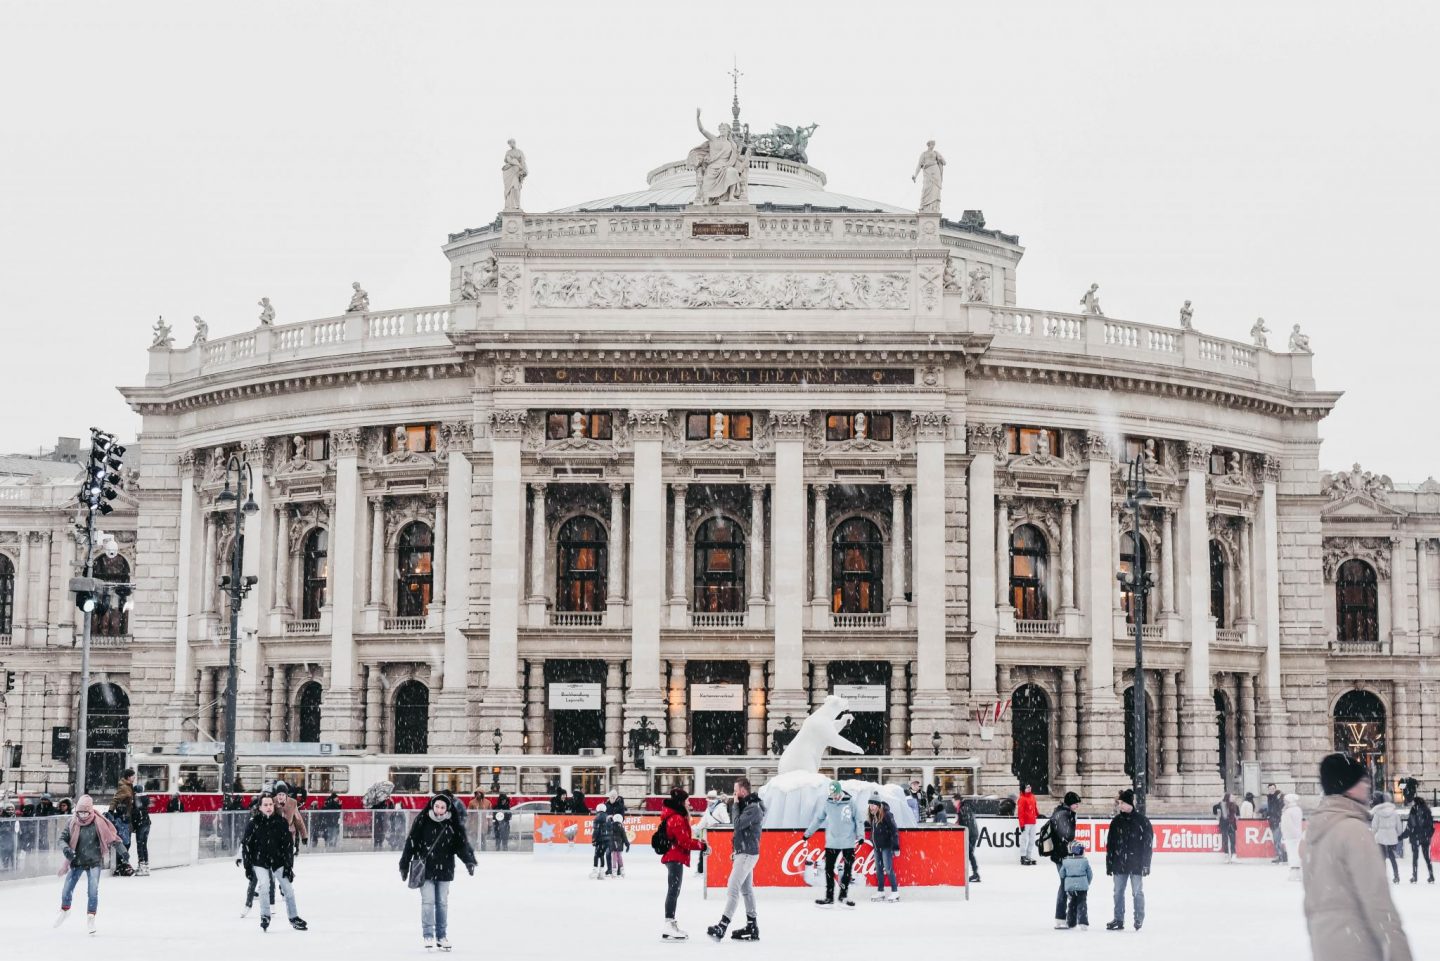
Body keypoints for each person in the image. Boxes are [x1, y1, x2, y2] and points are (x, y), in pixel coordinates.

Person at [1302, 754, 1412, 961]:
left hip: (1325, 945)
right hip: (1356, 947)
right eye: (1363, 781)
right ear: (1350, 786)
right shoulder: (1353, 830)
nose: (1368, 786)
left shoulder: (1316, 831)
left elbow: (1311, 899)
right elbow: (1378, 901)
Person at [399, 793, 476, 951]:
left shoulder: (452, 824)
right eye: (437, 806)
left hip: (445, 869)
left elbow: (460, 846)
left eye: (442, 807)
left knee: (442, 904)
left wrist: (468, 861)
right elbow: (411, 843)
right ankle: (428, 934)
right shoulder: (422, 821)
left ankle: (441, 936)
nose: (439, 810)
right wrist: (404, 864)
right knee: (428, 902)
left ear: (447, 808)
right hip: (425, 869)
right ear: (432, 806)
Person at [54, 795, 128, 934]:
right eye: (79, 812)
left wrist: (123, 851)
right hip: (77, 862)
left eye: (85, 812)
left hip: (94, 862)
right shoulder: (73, 822)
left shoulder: (99, 823)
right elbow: (62, 839)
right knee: (67, 889)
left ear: (90, 811)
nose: (82, 815)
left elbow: (112, 838)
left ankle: (91, 917)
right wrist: (66, 849)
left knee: (92, 891)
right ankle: (65, 910)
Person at [709, 777, 766, 940]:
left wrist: (734, 804)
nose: (734, 794)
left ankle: (722, 926)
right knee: (746, 890)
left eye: (735, 791)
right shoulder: (748, 805)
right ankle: (752, 926)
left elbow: (738, 824)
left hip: (747, 853)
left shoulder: (753, 808)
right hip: (745, 852)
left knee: (733, 888)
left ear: (742, 791)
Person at [241, 793, 307, 932]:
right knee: (264, 885)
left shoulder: (281, 822)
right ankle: (265, 916)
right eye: (265, 805)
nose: (269, 807)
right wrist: (248, 867)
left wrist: (288, 866)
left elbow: (288, 846)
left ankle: (294, 917)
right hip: (260, 861)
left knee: (288, 888)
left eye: (271, 804)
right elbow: (246, 845)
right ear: (259, 807)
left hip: (278, 861)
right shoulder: (254, 824)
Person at [804, 781, 862, 908]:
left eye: (835, 794)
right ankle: (829, 898)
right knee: (828, 870)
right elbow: (819, 819)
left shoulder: (850, 802)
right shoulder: (828, 803)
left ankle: (843, 896)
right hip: (832, 842)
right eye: (832, 794)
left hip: (848, 842)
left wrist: (861, 835)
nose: (834, 797)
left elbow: (858, 819)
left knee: (847, 870)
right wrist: (808, 833)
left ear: (840, 791)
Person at [658, 787, 705, 941]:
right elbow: (684, 841)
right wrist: (701, 845)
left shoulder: (677, 816)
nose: (689, 803)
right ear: (681, 801)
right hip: (674, 856)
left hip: (674, 856)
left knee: (674, 890)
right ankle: (668, 924)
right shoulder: (676, 818)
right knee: (673, 890)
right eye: (687, 800)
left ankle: (670, 924)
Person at [1104, 788, 1152, 931]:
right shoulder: (1116, 822)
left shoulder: (1142, 821)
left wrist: (1146, 864)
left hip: (1136, 863)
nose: (1121, 806)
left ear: (1130, 804)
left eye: (1123, 803)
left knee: (1137, 892)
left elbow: (1147, 845)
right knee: (1118, 892)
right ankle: (1118, 919)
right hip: (1119, 863)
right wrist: (1109, 863)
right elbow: (1111, 844)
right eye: (1120, 803)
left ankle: (1138, 918)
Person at [1044, 792, 1082, 929]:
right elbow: (1065, 837)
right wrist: (1071, 850)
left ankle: (1066, 917)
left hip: (1062, 855)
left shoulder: (1062, 813)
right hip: (1062, 856)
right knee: (1065, 885)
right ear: (1069, 803)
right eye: (1076, 803)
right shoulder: (1064, 815)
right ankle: (1061, 917)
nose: (1077, 806)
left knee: (1066, 885)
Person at [237, 800, 275, 917]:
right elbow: (245, 843)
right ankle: (248, 905)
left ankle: (271, 905)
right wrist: (240, 856)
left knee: (271, 882)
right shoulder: (252, 823)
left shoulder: (272, 822)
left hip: (268, 859)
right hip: (255, 859)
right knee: (253, 882)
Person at [866, 798, 901, 902]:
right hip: (877, 847)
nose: (871, 807)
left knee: (888, 869)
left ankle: (895, 892)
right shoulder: (873, 816)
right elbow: (874, 829)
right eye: (870, 805)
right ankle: (880, 891)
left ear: (878, 805)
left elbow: (894, 831)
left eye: (873, 805)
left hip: (886, 847)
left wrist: (896, 847)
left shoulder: (887, 815)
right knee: (879, 870)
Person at [1399, 779, 1434, 883]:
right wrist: (1428, 835)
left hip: (1415, 837)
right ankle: (1431, 876)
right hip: (1425, 838)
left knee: (1415, 858)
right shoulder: (1427, 810)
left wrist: (1401, 836)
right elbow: (1431, 825)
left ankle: (1415, 877)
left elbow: (1410, 826)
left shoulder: (1414, 809)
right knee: (1427, 857)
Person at [1371, 792, 1403, 884]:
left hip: (1381, 837)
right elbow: (1399, 827)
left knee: (1382, 858)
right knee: (1392, 857)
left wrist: (1373, 834)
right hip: (1392, 837)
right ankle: (1396, 876)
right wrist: (1397, 834)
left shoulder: (1377, 812)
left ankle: (1383, 877)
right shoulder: (1394, 812)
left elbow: (1374, 826)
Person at [1060, 841, 1092, 930]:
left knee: (1072, 904)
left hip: (1070, 887)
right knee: (1082, 903)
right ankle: (1083, 922)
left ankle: (1071, 922)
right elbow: (1090, 874)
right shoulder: (1084, 861)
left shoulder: (1066, 861)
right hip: (1082, 887)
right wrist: (1086, 882)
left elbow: (1062, 873)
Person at [108, 768, 136, 867]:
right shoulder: (124, 787)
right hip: (123, 818)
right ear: (128, 777)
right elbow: (115, 799)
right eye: (133, 776)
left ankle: (123, 863)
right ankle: (121, 864)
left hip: (127, 817)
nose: (134, 778)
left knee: (126, 841)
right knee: (125, 842)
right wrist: (111, 811)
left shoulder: (129, 786)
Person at [273, 782, 310, 851]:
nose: (280, 797)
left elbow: (298, 820)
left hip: (289, 832)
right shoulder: (273, 801)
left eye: (283, 794)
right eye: (279, 794)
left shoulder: (292, 803)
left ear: (286, 795)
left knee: (288, 854)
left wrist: (304, 836)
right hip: (276, 833)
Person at [957, 795, 981, 883]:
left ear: (957, 801)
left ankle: (975, 874)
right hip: (971, 834)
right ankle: (975, 873)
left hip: (970, 834)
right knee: (969, 854)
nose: (953, 804)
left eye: (953, 802)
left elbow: (966, 823)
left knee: (969, 854)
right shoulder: (964, 808)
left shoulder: (963, 808)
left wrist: (962, 830)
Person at [1281, 793, 1305, 882]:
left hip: (1290, 836)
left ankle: (1294, 874)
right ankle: (1299, 873)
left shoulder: (1288, 811)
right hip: (1297, 834)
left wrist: (1285, 835)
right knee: (1297, 854)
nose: (1284, 802)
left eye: (1285, 801)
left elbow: (1286, 825)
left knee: (1292, 854)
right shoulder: (1298, 809)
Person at [1017, 783, 1039, 865]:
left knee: (1032, 840)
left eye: (1030, 787)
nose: (1029, 788)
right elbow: (1020, 813)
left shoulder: (1032, 796)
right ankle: (1023, 856)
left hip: (1033, 822)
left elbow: (1034, 807)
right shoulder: (1022, 799)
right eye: (1027, 787)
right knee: (1024, 840)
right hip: (1026, 823)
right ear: (1023, 789)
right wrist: (1022, 825)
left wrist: (1038, 814)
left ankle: (1028, 855)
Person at [1215, 792, 1239, 862]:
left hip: (1232, 824)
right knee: (1225, 840)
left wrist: (1234, 818)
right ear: (1228, 797)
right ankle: (1226, 854)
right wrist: (1218, 815)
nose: (1233, 798)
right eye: (1231, 797)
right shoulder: (1221, 804)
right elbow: (1216, 811)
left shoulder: (1235, 806)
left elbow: (1237, 815)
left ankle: (1233, 855)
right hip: (1224, 825)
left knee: (1233, 840)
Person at [590, 802, 612, 879]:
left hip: (600, 840)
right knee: (602, 854)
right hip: (607, 840)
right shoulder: (608, 818)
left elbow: (596, 830)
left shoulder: (597, 818)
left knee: (596, 855)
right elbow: (610, 829)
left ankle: (595, 871)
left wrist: (593, 839)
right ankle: (602, 872)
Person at [1266, 783, 1286, 862]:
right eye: (1270, 789)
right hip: (1272, 821)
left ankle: (1280, 856)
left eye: (1273, 789)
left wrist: (1279, 818)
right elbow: (1270, 809)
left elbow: (1280, 808)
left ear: (1275, 789)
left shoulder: (1278, 797)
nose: (1271, 790)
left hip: (1277, 821)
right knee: (1276, 839)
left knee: (1277, 839)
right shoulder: (1269, 798)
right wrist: (1267, 814)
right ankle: (1281, 856)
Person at [132, 794, 152, 876]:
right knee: (144, 845)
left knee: (139, 845)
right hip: (147, 824)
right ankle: (146, 866)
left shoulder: (137, 806)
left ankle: (141, 865)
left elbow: (134, 819)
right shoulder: (145, 805)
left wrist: (134, 827)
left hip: (141, 825)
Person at [608, 811, 630, 878]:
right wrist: (627, 844)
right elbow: (624, 837)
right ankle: (622, 870)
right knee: (619, 857)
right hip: (619, 845)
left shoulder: (611, 826)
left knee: (614, 858)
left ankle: (614, 871)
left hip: (613, 845)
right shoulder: (621, 827)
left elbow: (608, 835)